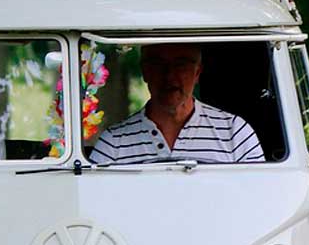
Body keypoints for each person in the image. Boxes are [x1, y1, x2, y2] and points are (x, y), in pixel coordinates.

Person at [90, 43, 264, 165]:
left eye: (181, 65)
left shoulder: (236, 133)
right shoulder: (113, 143)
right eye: (158, 64)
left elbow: (259, 200)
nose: (169, 76)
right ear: (145, 71)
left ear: (197, 73)